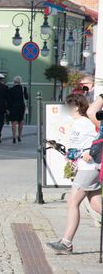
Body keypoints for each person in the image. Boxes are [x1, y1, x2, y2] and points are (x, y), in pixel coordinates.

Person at [47, 94, 101, 255]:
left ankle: (66, 243)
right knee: (96, 204)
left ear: (76, 107)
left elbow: (97, 140)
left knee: (72, 202)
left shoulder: (86, 123)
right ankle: (66, 243)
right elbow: (78, 146)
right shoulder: (78, 123)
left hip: (89, 167)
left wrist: (88, 152)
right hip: (86, 167)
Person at [7, 76, 28, 144]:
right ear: (20, 82)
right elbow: (26, 97)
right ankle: (19, 136)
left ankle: (14, 137)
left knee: (14, 122)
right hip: (21, 107)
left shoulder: (11, 89)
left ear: (14, 81)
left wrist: (8, 108)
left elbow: (9, 100)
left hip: (13, 107)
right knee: (20, 122)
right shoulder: (23, 88)